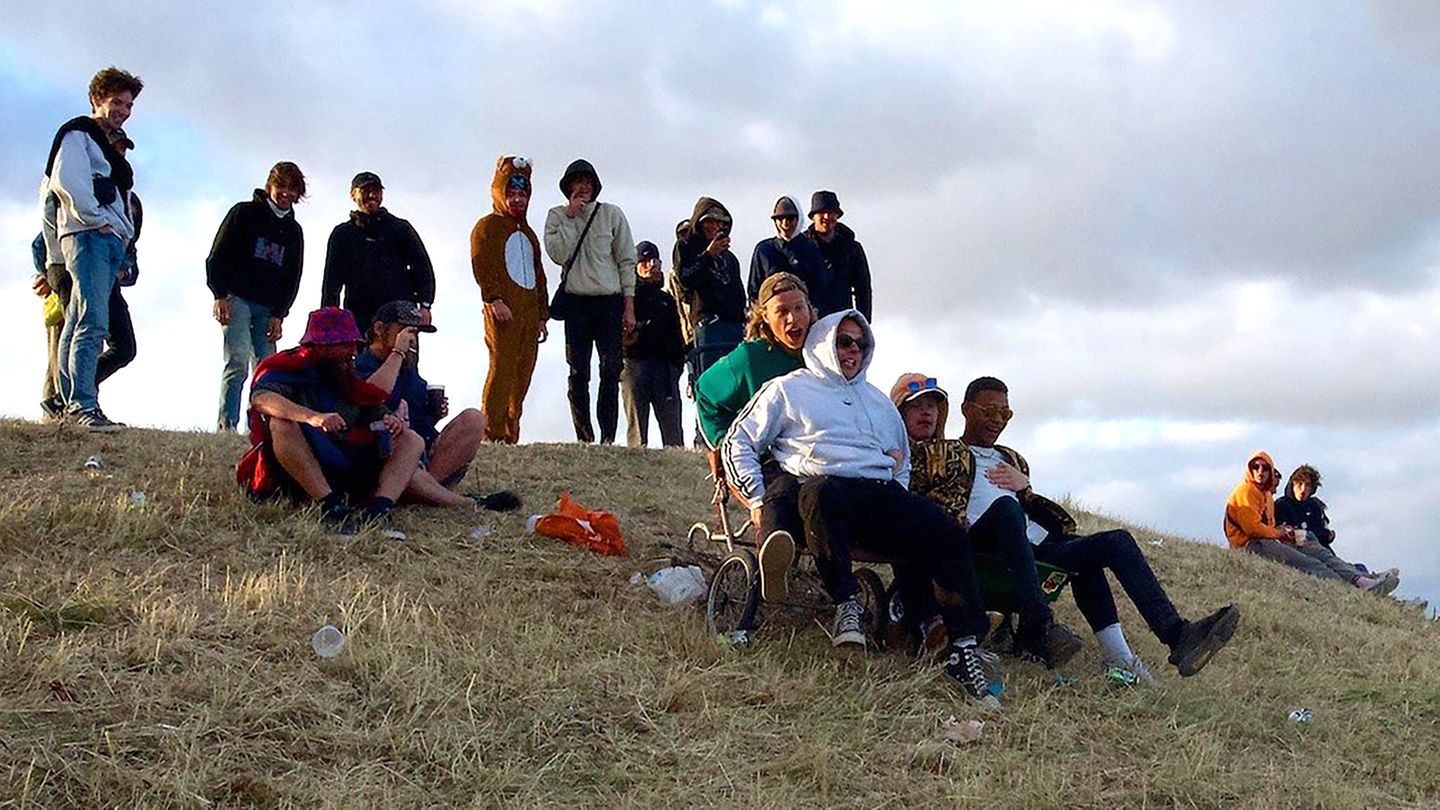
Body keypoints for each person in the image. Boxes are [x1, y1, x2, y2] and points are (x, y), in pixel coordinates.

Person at [723, 311, 1000, 708]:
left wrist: (899, 490)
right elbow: (740, 441)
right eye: (844, 341)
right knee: (823, 493)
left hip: (878, 493)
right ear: (823, 343)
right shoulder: (787, 389)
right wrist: (754, 497)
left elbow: (901, 461)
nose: (853, 350)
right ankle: (846, 604)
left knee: (945, 529)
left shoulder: (878, 403)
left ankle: (963, 645)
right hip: (819, 491)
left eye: (860, 343)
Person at [903, 374, 1243, 683]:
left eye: (1004, 414)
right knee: (1005, 508)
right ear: (966, 410)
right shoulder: (942, 451)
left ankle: (1167, 639)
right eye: (989, 411)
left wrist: (1024, 488)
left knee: (1114, 543)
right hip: (981, 541)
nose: (996, 421)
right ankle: (1038, 625)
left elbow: (1047, 514)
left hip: (1033, 543)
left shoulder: (1012, 458)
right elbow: (918, 494)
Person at [238, 307, 424, 533]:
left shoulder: (345, 373)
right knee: (281, 424)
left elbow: (366, 404)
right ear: (323, 345)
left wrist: (387, 418)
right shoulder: (288, 367)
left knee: (412, 440)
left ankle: (379, 509)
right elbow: (262, 398)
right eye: (344, 344)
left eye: (352, 344)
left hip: (346, 462)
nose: (352, 351)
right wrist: (313, 418)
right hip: (298, 469)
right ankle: (329, 506)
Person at [696, 272, 817, 604]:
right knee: (780, 492)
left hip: (813, 456)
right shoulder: (751, 358)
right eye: (781, 311)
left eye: (799, 308)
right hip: (762, 458)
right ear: (765, 316)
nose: (794, 319)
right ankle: (772, 559)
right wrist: (721, 441)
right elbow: (705, 392)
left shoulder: (822, 353)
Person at [43, 66, 144, 431]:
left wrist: (120, 233)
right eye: (116, 102)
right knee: (91, 321)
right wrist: (95, 218)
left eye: (128, 104)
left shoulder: (105, 145)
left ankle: (70, 401)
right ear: (95, 100)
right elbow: (65, 181)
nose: (123, 110)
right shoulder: (77, 134)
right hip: (89, 237)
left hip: (105, 238)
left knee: (78, 320)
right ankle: (84, 406)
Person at [354, 301, 489, 507]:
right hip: (390, 456)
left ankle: (427, 490)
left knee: (473, 418)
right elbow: (371, 396)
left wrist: (435, 412)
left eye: (415, 333)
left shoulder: (409, 369)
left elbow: (418, 414)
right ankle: (454, 500)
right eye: (405, 331)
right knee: (407, 465)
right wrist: (397, 353)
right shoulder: (361, 366)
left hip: (423, 455)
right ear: (380, 329)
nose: (412, 339)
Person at [207, 161, 308, 432]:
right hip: (237, 298)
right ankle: (226, 425)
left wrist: (279, 314)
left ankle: (261, 429)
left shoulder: (294, 232)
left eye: (291, 189)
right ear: (269, 186)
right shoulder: (243, 213)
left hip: (268, 307)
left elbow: (292, 276)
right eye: (280, 187)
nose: (285, 194)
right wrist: (219, 294)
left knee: (267, 370)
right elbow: (217, 256)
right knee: (237, 359)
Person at [543, 159, 637, 444]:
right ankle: (584, 436)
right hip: (576, 304)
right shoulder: (557, 216)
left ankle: (608, 437)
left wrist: (629, 306)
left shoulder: (611, 214)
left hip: (609, 303)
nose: (583, 186)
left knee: (611, 370)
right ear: (568, 186)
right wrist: (572, 217)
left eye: (587, 181)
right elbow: (558, 254)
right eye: (577, 181)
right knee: (578, 371)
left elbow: (626, 260)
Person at [1226, 452, 1397, 594]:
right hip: (1252, 545)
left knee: (1322, 555)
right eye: (1255, 467)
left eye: (1265, 468)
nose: (1260, 471)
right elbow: (1253, 529)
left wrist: (1284, 532)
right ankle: (1351, 590)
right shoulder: (1249, 492)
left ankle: (1364, 581)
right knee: (1311, 562)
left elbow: (1269, 527)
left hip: (1273, 541)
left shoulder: (1269, 497)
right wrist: (1280, 533)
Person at [471, 155, 548, 444]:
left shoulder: (528, 233)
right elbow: (483, 266)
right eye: (511, 194)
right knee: (501, 369)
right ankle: (491, 432)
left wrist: (542, 314)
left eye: (522, 194)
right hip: (503, 311)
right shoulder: (487, 227)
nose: (517, 200)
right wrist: (493, 299)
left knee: (523, 374)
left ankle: (511, 433)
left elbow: (539, 275)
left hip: (529, 314)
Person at [321, 171, 435, 334]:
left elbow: (422, 267)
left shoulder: (400, 228)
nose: (372, 195)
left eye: (376, 191)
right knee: (361, 359)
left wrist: (425, 304)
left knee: (404, 357)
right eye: (365, 190)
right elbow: (332, 281)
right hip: (360, 316)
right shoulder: (342, 234)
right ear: (353, 194)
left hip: (402, 312)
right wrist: (329, 317)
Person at [673, 196, 746, 389]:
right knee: (710, 384)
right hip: (708, 326)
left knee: (737, 384)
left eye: (720, 222)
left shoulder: (730, 258)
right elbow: (685, 280)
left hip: (734, 328)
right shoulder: (685, 247)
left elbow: (739, 292)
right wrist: (708, 255)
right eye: (710, 221)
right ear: (700, 222)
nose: (715, 226)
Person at [621, 240, 686, 448]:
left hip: (665, 370)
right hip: (634, 365)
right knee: (637, 432)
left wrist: (676, 366)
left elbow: (678, 335)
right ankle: (637, 471)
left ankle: (678, 471)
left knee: (673, 432)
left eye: (655, 261)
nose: (651, 266)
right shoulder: (626, 299)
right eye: (645, 261)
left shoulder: (666, 300)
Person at [748, 195, 842, 316]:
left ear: (799, 219)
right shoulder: (764, 250)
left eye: (790, 218)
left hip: (807, 320)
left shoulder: (811, 248)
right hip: (773, 320)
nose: (785, 223)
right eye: (779, 219)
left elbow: (822, 290)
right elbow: (754, 291)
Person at [802, 190, 872, 321]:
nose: (827, 217)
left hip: (842, 320)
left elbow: (863, 289)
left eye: (832, 212)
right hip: (811, 322)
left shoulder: (852, 248)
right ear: (813, 216)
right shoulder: (801, 248)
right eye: (822, 212)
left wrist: (863, 322)